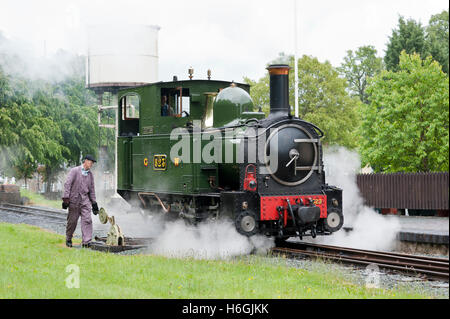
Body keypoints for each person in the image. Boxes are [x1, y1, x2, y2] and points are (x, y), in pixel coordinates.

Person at [62, 154, 99, 248]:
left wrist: (94, 203)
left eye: (92, 163)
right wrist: (66, 199)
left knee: (87, 220)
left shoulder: (90, 175)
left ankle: (86, 241)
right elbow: (67, 184)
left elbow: (92, 190)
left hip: (85, 201)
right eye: (90, 162)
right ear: (85, 161)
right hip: (74, 201)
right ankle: (68, 238)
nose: (91, 164)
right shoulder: (75, 171)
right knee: (72, 221)